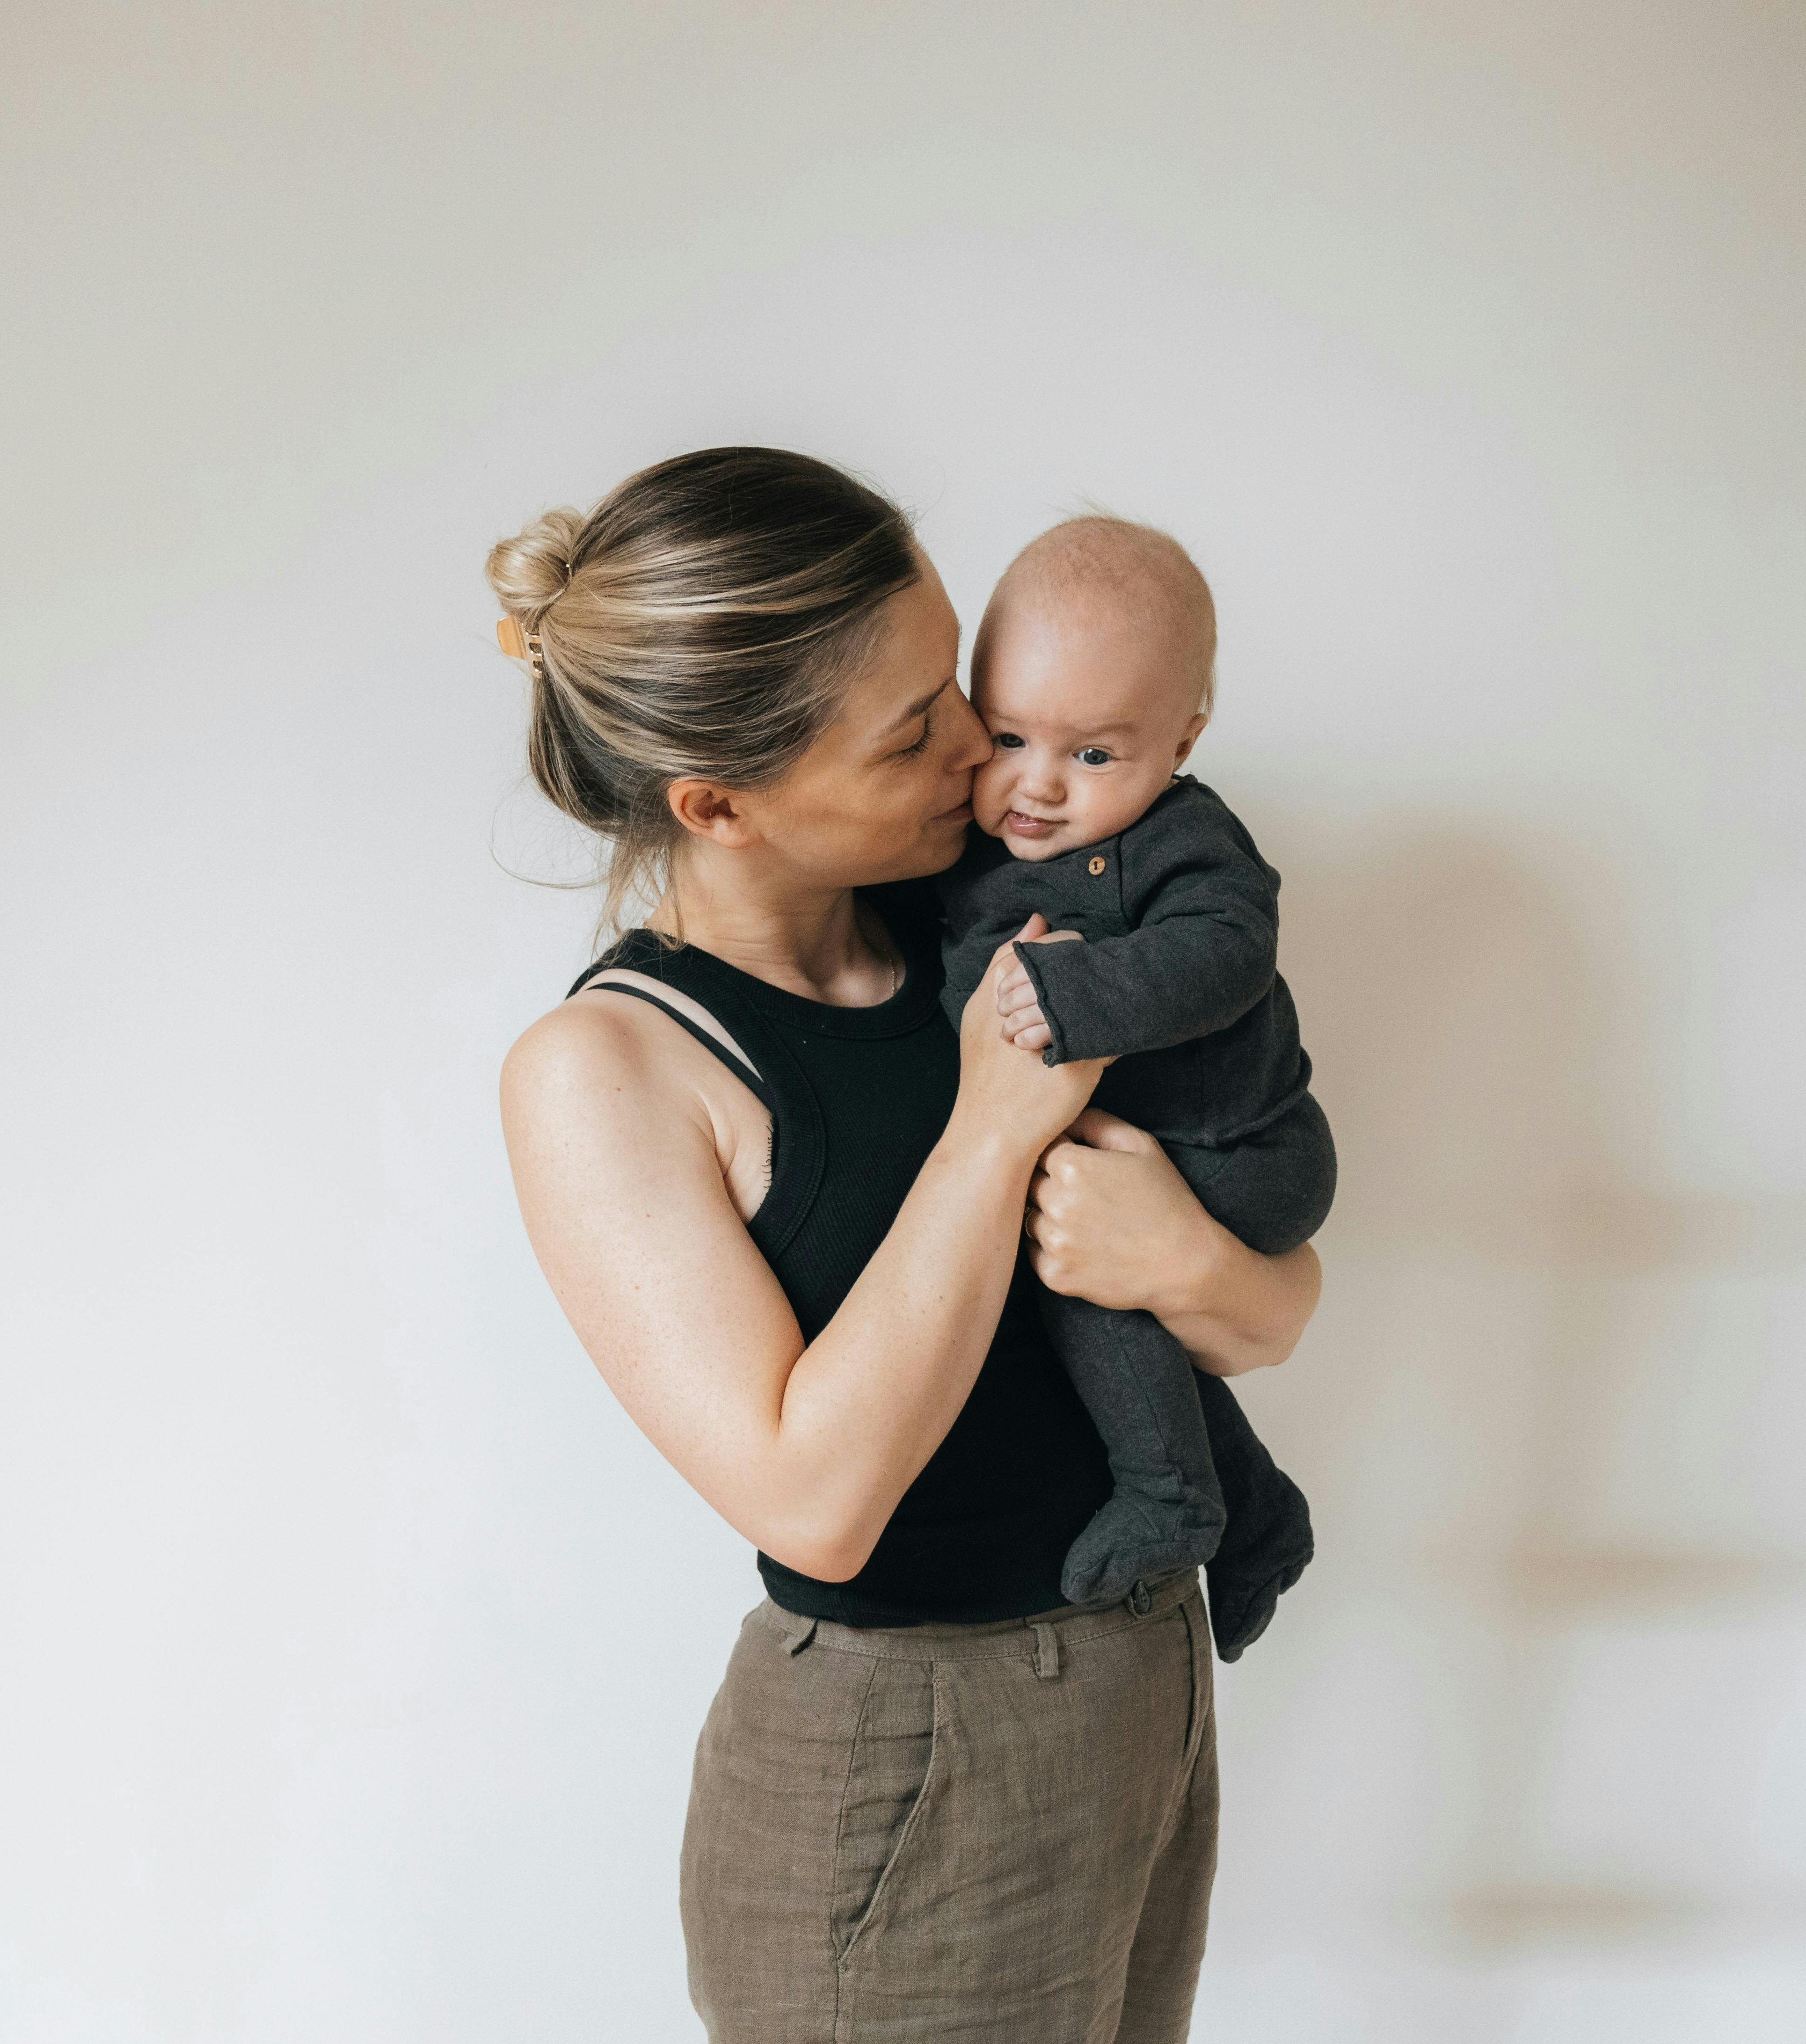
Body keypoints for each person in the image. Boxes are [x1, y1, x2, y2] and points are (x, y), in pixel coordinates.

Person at [487, 448, 1323, 2043]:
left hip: (1142, 1681)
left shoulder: (995, 912)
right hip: (910, 1748)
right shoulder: (610, 1074)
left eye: (955, 687)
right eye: (915, 731)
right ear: (719, 804)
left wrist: (1188, 1260)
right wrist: (994, 1128)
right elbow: (815, 1500)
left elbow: (1269, 1312)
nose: (980, 751)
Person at [938, 516, 1328, 1662]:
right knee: (1083, 1287)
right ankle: (1259, 1518)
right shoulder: (966, 855)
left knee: (1074, 1279)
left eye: (1094, 754)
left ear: (1182, 738)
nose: (1038, 786)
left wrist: (1083, 995)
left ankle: (1177, 1499)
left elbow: (1230, 950)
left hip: (1241, 1150)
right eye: (1007, 734)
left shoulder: (1185, 842)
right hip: (1133, 1160)